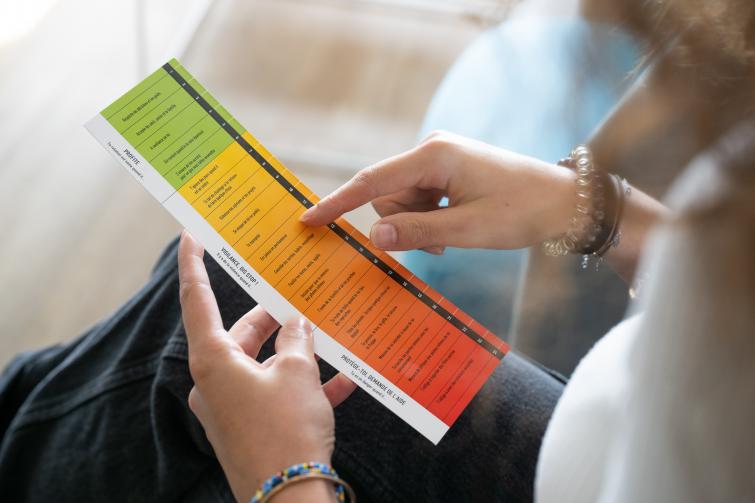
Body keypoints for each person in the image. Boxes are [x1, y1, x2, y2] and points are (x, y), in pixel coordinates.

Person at [1, 1, 754, 502]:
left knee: (213, 324)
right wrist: (594, 208)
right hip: (595, 439)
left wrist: (287, 475)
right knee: (224, 307)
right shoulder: (729, 213)